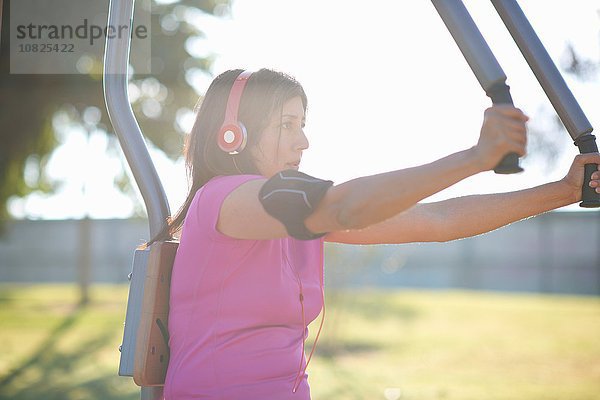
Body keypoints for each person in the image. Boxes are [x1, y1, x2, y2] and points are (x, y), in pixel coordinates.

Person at [157, 68, 600, 399]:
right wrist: (476, 157)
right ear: (233, 135)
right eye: (286, 125)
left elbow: (437, 222)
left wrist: (561, 191)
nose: (303, 141)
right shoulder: (227, 200)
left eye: (303, 124)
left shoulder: (294, 215)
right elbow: (348, 203)